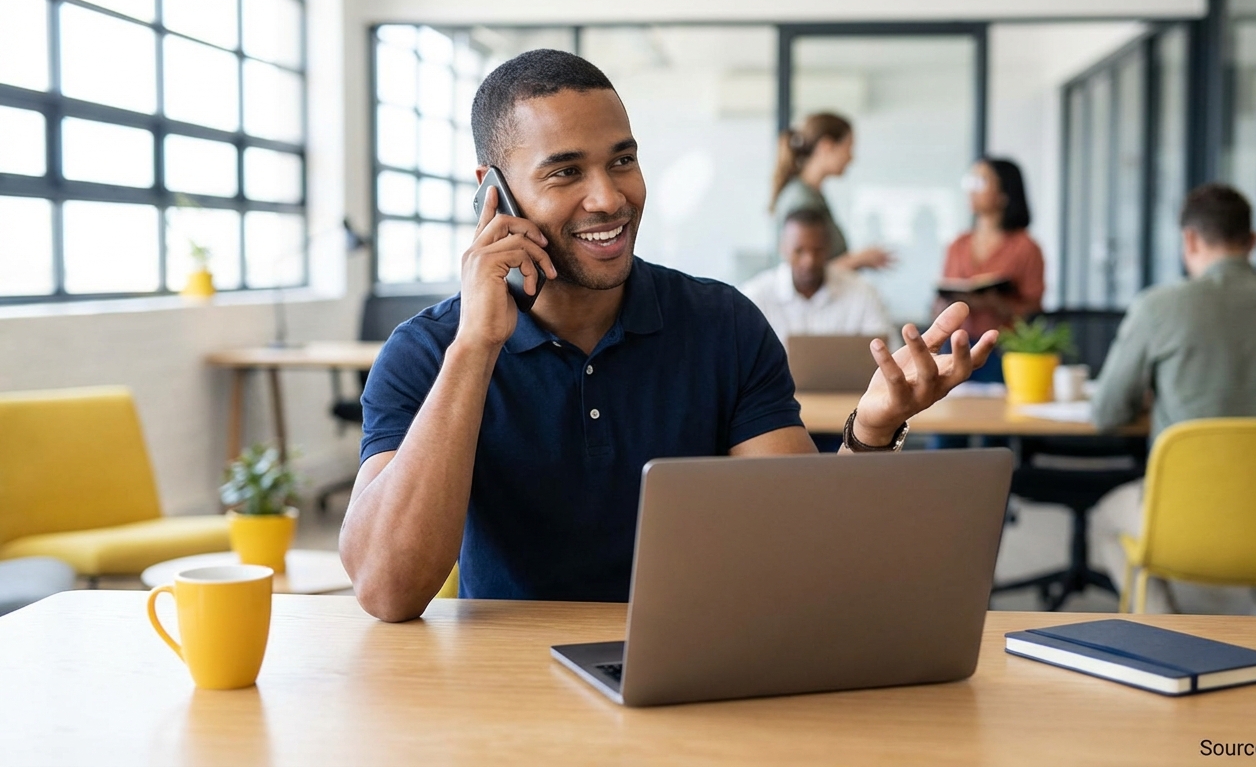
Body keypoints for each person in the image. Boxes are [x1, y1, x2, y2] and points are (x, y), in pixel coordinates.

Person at [339, 50, 999, 622]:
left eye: (621, 160)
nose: (609, 197)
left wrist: (873, 429)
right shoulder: (427, 353)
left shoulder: (723, 325)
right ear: (494, 196)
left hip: (698, 665)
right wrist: (476, 347)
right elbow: (387, 589)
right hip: (510, 690)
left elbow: (804, 551)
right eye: (565, 172)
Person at [1087, 183, 1256, 615]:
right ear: (1253, 241)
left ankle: (1165, 631)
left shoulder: (1158, 307)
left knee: (1104, 520)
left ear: (1188, 239)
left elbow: (1107, 413)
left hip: (1181, 524)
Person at [935, 158, 1045, 383]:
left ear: (1004, 193)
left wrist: (997, 305)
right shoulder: (958, 245)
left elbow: (1034, 309)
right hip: (956, 346)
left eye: (981, 181)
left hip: (1003, 349)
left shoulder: (1026, 247)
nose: (972, 190)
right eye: (970, 181)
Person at [740, 208, 892, 348]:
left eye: (817, 250)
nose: (809, 261)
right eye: (799, 251)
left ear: (829, 248)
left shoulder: (862, 293)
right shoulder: (756, 297)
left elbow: (891, 353)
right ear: (782, 248)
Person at [770, 112, 893, 272]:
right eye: (848, 148)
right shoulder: (802, 200)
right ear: (826, 146)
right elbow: (806, 272)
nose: (851, 158)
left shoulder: (813, 195)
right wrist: (859, 259)